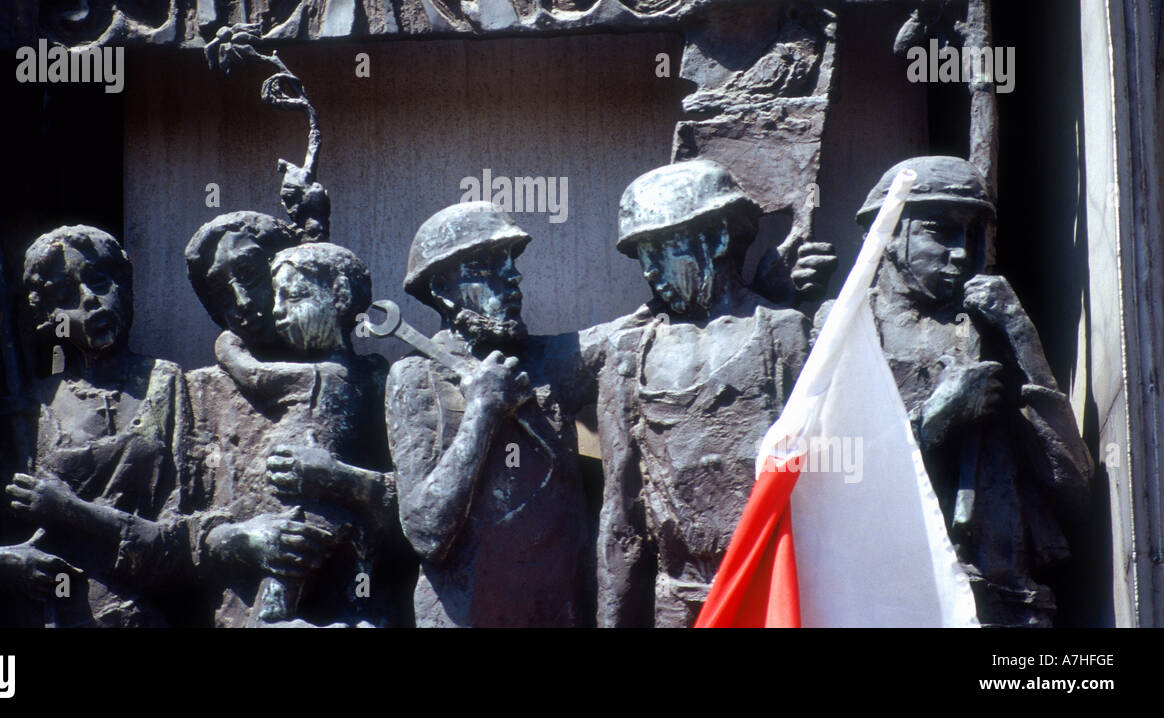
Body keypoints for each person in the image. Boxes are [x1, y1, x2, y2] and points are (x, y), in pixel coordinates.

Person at [848, 156, 1092, 626]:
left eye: (973, 235)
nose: (960, 253)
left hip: (1004, 601)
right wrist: (939, 416)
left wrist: (1021, 335)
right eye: (940, 232)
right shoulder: (847, 330)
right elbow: (832, 474)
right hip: (888, 595)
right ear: (891, 233)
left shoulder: (994, 329)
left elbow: (1074, 487)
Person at [590, 160, 813, 627]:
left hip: (770, 591)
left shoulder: (786, 336)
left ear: (716, 239)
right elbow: (620, 518)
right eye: (641, 253)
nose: (650, 269)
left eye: (664, 248)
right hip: (677, 599)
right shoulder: (629, 353)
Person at [183, 214, 398, 626]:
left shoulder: (372, 378)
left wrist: (348, 482)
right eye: (220, 292)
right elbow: (170, 533)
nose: (242, 302)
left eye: (251, 275)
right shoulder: (200, 392)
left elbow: (414, 510)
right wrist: (239, 540)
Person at [385, 201, 591, 627]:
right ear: (442, 290)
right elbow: (426, 531)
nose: (513, 277)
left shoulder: (554, 358)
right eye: (486, 266)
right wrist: (482, 411)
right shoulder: (415, 378)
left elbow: (632, 332)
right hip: (464, 614)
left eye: (511, 262)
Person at [0, 225, 194, 627]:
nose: (90, 302)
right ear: (50, 319)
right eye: (66, 297)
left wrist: (68, 509)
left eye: (99, 282)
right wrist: (3, 559)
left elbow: (177, 541)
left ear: (125, 285)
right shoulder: (31, 407)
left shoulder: (167, 383)